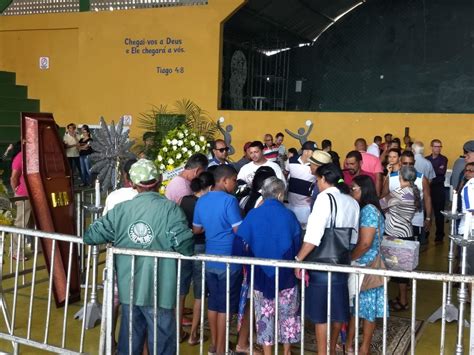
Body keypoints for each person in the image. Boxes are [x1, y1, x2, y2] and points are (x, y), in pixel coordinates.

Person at [84, 159, 194, 355]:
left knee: (130, 341)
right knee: (162, 343)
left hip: (130, 290)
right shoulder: (171, 210)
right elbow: (185, 246)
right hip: (161, 291)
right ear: (160, 180)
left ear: (131, 183)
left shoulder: (121, 210)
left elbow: (91, 236)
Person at [294, 163, 359, 355]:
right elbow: (353, 239)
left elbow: (313, 237)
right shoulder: (351, 201)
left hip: (322, 264)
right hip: (342, 262)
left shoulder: (323, 199)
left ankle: (323, 352)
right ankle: (331, 347)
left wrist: (298, 260)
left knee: (321, 314)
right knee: (339, 308)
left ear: (322, 179)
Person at [237, 177, 302, 355]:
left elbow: (240, 243)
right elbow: (298, 243)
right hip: (286, 274)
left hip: (259, 275)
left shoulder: (253, 214)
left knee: (264, 315)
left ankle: (267, 352)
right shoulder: (289, 215)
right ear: (280, 194)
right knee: (288, 315)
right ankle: (287, 351)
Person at [192, 165, 243, 355]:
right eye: (234, 180)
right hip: (229, 260)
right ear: (224, 180)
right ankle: (221, 350)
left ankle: (215, 345)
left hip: (210, 259)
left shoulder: (202, 200)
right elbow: (239, 230)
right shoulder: (230, 201)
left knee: (213, 304)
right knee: (225, 308)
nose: (235, 184)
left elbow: (197, 229)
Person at [346, 175, 387, 355]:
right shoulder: (365, 209)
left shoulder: (369, 210)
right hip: (363, 264)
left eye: (354, 189)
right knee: (357, 307)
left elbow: (365, 243)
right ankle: (349, 343)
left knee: (368, 309)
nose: (351, 192)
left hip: (368, 265)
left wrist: (349, 258)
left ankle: (364, 348)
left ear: (364, 190)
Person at [178, 171, 215, 345]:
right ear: (208, 187)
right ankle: (193, 335)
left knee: (181, 291)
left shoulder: (184, 200)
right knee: (200, 294)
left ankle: (178, 331)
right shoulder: (206, 203)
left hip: (184, 248)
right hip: (201, 248)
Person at [380, 165, 420, 311]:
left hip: (394, 233)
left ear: (400, 177)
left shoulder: (399, 193)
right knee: (403, 268)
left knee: (393, 268)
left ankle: (402, 300)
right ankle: (402, 298)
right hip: (407, 232)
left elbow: (380, 204)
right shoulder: (414, 192)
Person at [384, 151, 432, 246]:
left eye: (411, 163)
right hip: (395, 223)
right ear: (400, 162)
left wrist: (428, 218)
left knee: (411, 249)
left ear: (414, 162)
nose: (408, 166)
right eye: (405, 163)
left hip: (415, 219)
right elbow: (383, 195)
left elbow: (427, 198)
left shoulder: (422, 179)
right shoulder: (391, 178)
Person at [10, 141, 34, 261]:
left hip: (37, 195)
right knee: (21, 223)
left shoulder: (37, 155)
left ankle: (35, 246)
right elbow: (13, 177)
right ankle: (16, 251)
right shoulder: (20, 157)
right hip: (24, 195)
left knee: (33, 222)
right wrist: (17, 191)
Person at [287, 141, 317, 225]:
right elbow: (285, 176)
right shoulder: (291, 161)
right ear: (306, 151)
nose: (315, 153)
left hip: (306, 208)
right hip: (290, 205)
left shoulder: (315, 165)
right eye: (313, 151)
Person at [426, 139, 448, 243]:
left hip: (438, 188)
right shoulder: (426, 159)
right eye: (436, 146)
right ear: (431, 147)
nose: (438, 148)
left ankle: (439, 235)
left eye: (440, 146)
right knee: (426, 212)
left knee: (439, 214)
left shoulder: (443, 159)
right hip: (428, 188)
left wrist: (429, 173)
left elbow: (440, 172)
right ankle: (425, 233)